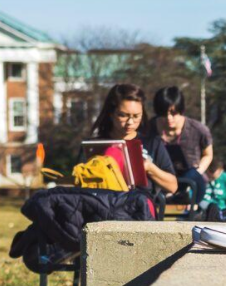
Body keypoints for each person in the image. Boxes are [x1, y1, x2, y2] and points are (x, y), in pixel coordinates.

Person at [87, 83, 178, 202]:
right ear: (111, 114)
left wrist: (149, 167)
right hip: (104, 207)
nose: (130, 122)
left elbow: (173, 186)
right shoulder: (96, 145)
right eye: (123, 115)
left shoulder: (152, 143)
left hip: (139, 212)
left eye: (136, 116)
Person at [152, 85, 212, 213]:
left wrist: (198, 171)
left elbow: (208, 154)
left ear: (181, 110)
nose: (169, 118)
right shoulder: (149, 128)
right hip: (160, 181)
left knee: (191, 175)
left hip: (191, 183)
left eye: (173, 113)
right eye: (164, 113)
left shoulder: (198, 129)